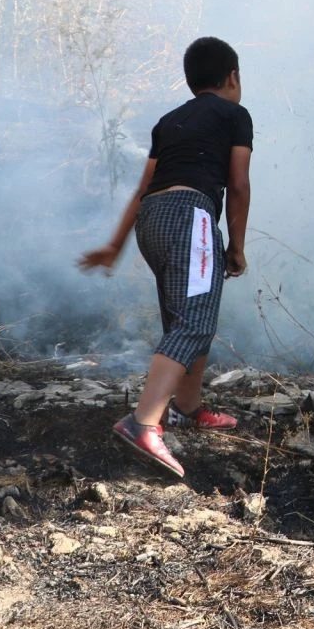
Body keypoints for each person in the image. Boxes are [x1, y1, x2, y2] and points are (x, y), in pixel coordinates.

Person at [78, 36, 252, 477]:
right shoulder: (235, 115)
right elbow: (238, 184)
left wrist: (115, 246)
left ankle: (186, 407)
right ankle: (143, 422)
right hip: (191, 214)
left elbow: (143, 188)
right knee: (196, 322)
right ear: (232, 77)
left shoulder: (169, 121)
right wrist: (236, 245)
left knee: (185, 317)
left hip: (152, 220)